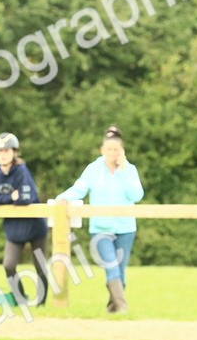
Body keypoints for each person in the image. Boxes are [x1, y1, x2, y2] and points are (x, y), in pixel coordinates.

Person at [54, 125, 144, 313]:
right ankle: (122, 307)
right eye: (109, 149)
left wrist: (124, 170)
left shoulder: (130, 170)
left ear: (122, 151)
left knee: (120, 269)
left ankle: (113, 308)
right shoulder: (93, 169)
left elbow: (136, 195)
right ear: (103, 150)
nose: (112, 153)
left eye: (116, 150)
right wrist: (63, 197)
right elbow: (80, 188)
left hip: (126, 227)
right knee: (111, 265)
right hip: (101, 228)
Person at [0, 133, 48, 306]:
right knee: (9, 265)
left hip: (35, 226)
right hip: (14, 228)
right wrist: (10, 197)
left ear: (14, 152)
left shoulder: (21, 170)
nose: (3, 154)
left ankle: (41, 303)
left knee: (40, 265)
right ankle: (21, 299)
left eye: (6, 150)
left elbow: (25, 198)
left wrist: (7, 199)